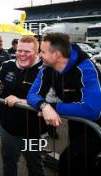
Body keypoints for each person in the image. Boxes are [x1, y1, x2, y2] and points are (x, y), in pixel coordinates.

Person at [27, 33, 101, 176]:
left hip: (97, 125)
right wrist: (44, 106)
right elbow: (32, 94)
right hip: (76, 122)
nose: (39, 55)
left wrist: (54, 107)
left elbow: (93, 110)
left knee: (69, 161)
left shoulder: (86, 68)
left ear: (56, 55)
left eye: (42, 51)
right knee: (84, 163)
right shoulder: (47, 67)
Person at [0, 36, 47, 176]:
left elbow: (51, 102)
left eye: (27, 51)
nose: (22, 54)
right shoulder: (6, 65)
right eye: (19, 50)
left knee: (35, 165)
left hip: (35, 132)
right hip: (8, 129)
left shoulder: (46, 70)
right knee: (8, 163)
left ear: (37, 52)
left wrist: (20, 101)